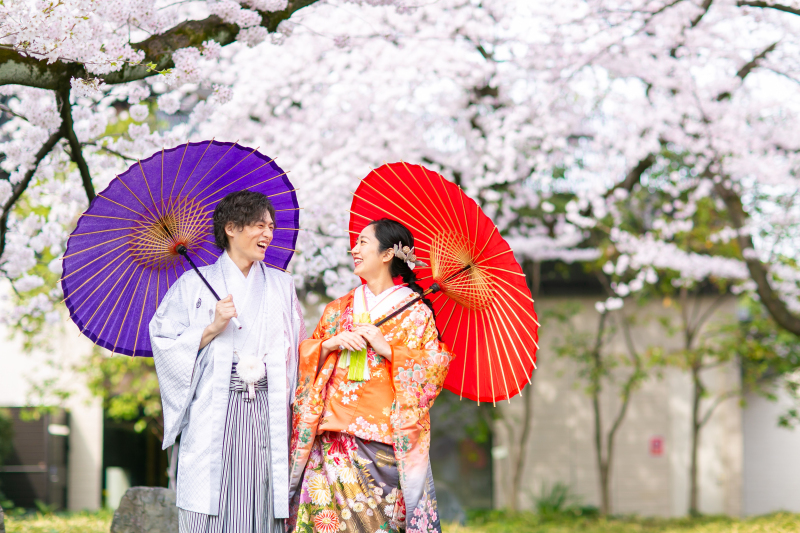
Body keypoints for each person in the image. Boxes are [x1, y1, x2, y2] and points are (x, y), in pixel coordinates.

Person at [150, 190, 305, 533]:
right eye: (259, 225)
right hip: (215, 411)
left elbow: (300, 348)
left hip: (268, 411)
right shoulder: (192, 284)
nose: (268, 233)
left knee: (264, 502)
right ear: (232, 228)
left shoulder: (282, 284)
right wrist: (212, 327)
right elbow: (165, 343)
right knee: (212, 506)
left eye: (271, 226)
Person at [288, 218, 453, 533]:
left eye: (363, 242)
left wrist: (388, 349)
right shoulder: (339, 309)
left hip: (380, 442)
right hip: (331, 437)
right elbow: (304, 357)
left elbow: (433, 372)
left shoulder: (416, 313)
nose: (355, 248)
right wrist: (328, 345)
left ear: (388, 253)